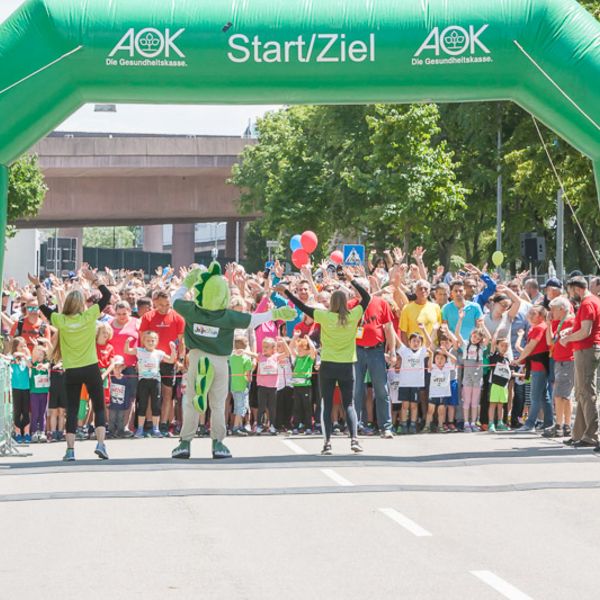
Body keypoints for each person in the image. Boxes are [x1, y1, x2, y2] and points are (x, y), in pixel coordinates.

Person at [171, 262, 295, 459]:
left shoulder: (191, 310)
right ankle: (218, 443)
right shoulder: (228, 316)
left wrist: (187, 282)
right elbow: (254, 319)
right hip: (220, 360)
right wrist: (276, 313)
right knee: (218, 404)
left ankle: (185, 442)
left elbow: (174, 299)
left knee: (192, 401)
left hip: (196, 358)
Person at [277, 268, 369, 455]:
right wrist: (353, 281)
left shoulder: (324, 317)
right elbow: (367, 299)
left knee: (326, 404)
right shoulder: (353, 316)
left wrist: (286, 292)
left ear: (331, 304)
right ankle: (354, 440)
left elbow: (301, 307)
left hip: (328, 364)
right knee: (349, 404)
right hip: (347, 365)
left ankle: (327, 443)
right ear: (345, 303)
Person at [31, 269, 112, 461]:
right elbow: (107, 296)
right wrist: (94, 280)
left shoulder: (60, 320)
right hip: (91, 367)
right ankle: (101, 444)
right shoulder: (89, 316)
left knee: (73, 409)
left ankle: (70, 450)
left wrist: (37, 285)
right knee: (99, 407)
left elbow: (42, 306)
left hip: (72, 370)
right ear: (82, 304)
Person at [351, 278, 396, 437]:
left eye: (360, 288)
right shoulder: (351, 305)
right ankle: (355, 426)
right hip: (356, 350)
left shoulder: (381, 303)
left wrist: (392, 350)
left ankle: (386, 427)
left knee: (382, 389)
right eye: (356, 289)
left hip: (376, 351)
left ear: (367, 289)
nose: (357, 291)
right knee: (356, 390)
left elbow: (389, 327)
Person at [561, 277, 600, 449]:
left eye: (570, 291)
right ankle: (580, 433)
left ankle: (592, 434)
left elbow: (586, 331)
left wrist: (568, 338)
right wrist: (572, 330)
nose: (570, 295)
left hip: (586, 350)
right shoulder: (592, 301)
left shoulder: (587, 303)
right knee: (581, 392)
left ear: (577, 289)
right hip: (585, 349)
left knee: (586, 391)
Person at [139, 290, 185, 436]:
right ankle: (148, 424)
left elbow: (182, 342)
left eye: (167, 305)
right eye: (160, 305)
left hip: (168, 361)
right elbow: (142, 339)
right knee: (148, 394)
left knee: (167, 393)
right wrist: (141, 358)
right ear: (155, 303)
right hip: (150, 359)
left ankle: (164, 424)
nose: (164, 308)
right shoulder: (148, 316)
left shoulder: (178, 318)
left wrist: (180, 359)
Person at [125, 331, 177, 438]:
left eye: (153, 340)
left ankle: (156, 429)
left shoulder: (159, 353)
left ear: (156, 342)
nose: (150, 342)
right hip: (143, 381)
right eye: (148, 340)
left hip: (155, 381)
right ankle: (140, 429)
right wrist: (127, 342)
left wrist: (173, 350)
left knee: (155, 405)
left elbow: (171, 360)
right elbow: (127, 351)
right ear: (143, 341)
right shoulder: (139, 350)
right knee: (143, 405)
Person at [515, 306, 553, 432]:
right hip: (539, 365)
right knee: (543, 395)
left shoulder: (539, 327)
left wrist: (518, 360)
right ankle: (548, 423)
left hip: (539, 366)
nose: (530, 315)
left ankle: (530, 424)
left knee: (535, 396)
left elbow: (530, 347)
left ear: (541, 316)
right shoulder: (538, 327)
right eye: (529, 312)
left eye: (533, 313)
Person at [543, 296, 574, 438]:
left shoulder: (571, 321)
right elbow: (550, 341)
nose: (551, 313)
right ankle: (564, 425)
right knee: (563, 395)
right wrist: (549, 324)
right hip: (558, 360)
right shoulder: (557, 322)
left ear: (561, 309)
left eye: (553, 310)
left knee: (561, 395)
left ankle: (560, 425)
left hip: (568, 360)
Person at [396, 327, 429, 434]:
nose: (416, 343)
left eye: (418, 341)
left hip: (416, 384)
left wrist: (425, 330)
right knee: (405, 405)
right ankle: (404, 424)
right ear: (409, 342)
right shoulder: (404, 351)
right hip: (404, 384)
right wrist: (390, 327)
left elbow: (430, 342)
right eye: (414, 341)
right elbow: (397, 339)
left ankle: (413, 424)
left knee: (414, 405)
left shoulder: (422, 352)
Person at [289, 331, 317, 435]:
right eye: (298, 349)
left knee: (307, 407)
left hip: (306, 386)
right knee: (297, 407)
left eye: (301, 349)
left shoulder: (309, 359)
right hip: (296, 387)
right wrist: (295, 336)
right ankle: (296, 426)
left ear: (306, 350)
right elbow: (291, 348)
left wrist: (308, 340)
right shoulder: (297, 358)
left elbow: (313, 350)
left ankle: (308, 427)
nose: (299, 351)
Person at [425, 348, 456, 433]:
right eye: (437, 358)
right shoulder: (433, 367)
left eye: (442, 358)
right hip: (433, 394)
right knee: (430, 411)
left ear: (445, 360)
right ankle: (427, 426)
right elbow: (429, 365)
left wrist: (446, 352)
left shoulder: (447, 366)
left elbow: (454, 359)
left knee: (441, 412)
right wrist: (431, 355)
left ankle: (440, 426)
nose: (439, 360)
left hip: (443, 393)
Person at [228, 336, 254, 436]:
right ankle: (235, 427)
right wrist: (249, 381)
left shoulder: (231, 357)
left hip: (233, 386)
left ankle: (239, 426)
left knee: (238, 406)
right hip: (243, 386)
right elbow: (248, 376)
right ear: (246, 346)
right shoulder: (247, 359)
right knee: (241, 407)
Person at [487, 337, 513, 433]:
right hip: (494, 384)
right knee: (493, 404)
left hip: (504, 386)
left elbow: (511, 373)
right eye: (502, 345)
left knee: (501, 405)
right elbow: (493, 342)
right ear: (497, 346)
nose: (504, 347)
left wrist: (525, 375)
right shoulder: (494, 356)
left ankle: (500, 423)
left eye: (506, 346)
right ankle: (491, 423)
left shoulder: (507, 359)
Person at [10, 336, 31, 443]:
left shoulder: (26, 357)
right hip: (16, 387)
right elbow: (13, 355)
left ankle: (26, 432)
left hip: (26, 387)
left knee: (26, 411)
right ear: (16, 347)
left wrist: (27, 355)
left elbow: (30, 365)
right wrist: (22, 354)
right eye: (21, 346)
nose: (23, 348)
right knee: (17, 411)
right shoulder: (13, 357)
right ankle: (18, 432)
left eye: (25, 345)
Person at [29, 341, 51, 443]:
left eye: (41, 354)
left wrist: (46, 343)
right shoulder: (33, 362)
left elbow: (48, 363)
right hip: (34, 392)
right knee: (35, 413)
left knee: (42, 413)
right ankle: (33, 432)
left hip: (44, 391)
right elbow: (31, 362)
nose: (39, 356)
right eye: (37, 354)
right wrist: (35, 348)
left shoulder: (46, 364)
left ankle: (42, 432)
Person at [107, 355, 130, 437]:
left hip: (121, 404)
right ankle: (111, 431)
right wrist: (107, 401)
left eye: (119, 367)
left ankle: (120, 431)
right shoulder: (111, 379)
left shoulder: (125, 379)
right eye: (115, 367)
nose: (117, 369)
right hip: (112, 404)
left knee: (121, 418)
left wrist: (127, 404)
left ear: (123, 367)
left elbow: (127, 393)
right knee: (111, 418)